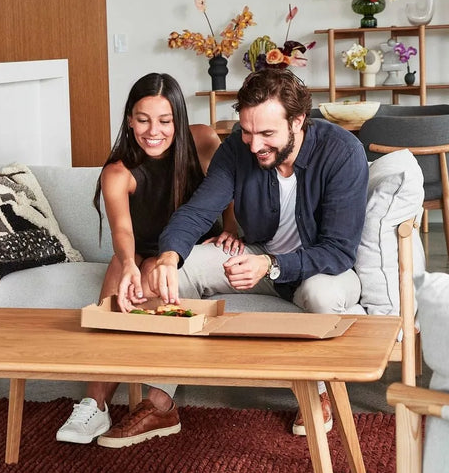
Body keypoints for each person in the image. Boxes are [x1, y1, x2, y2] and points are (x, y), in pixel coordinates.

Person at [134, 65, 369, 435]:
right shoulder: (237, 150)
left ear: (298, 121)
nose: (255, 145)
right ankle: (161, 402)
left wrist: (271, 263)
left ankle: (318, 394)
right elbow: (197, 211)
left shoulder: (342, 152)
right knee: (182, 270)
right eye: (247, 132)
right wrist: (169, 256)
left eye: (267, 133)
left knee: (319, 292)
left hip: (321, 268)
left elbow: (339, 251)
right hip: (260, 255)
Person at [55, 72, 238, 447]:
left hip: (190, 249)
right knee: (119, 274)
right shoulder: (117, 172)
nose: (153, 131)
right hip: (141, 247)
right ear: (129, 119)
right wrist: (128, 265)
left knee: (153, 272)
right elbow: (123, 232)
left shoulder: (204, 141)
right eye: (143, 119)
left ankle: (145, 403)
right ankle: (95, 404)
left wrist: (233, 229)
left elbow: (228, 190)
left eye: (164, 120)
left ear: (179, 120)